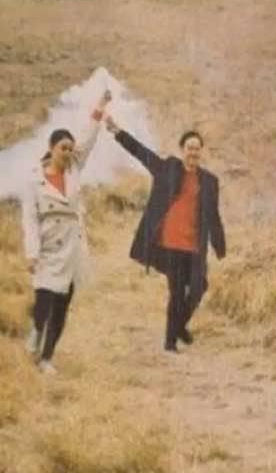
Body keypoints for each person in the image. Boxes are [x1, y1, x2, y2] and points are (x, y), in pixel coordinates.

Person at [104, 117, 226, 352]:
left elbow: (213, 215)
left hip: (195, 246)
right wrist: (118, 132)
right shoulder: (168, 168)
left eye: (197, 148)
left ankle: (179, 327)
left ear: (201, 152)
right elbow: (141, 153)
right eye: (189, 147)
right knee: (177, 292)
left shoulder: (210, 181)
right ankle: (170, 342)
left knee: (199, 287)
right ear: (182, 150)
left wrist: (219, 245)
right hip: (171, 244)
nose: (193, 152)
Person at [21, 91, 112, 373]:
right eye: (63, 148)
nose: (68, 152)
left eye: (71, 148)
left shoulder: (73, 168)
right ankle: (36, 330)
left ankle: (47, 358)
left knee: (62, 304)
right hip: (48, 246)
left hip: (72, 247)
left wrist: (100, 106)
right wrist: (32, 253)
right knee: (43, 301)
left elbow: (88, 138)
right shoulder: (33, 180)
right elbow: (29, 220)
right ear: (51, 148)